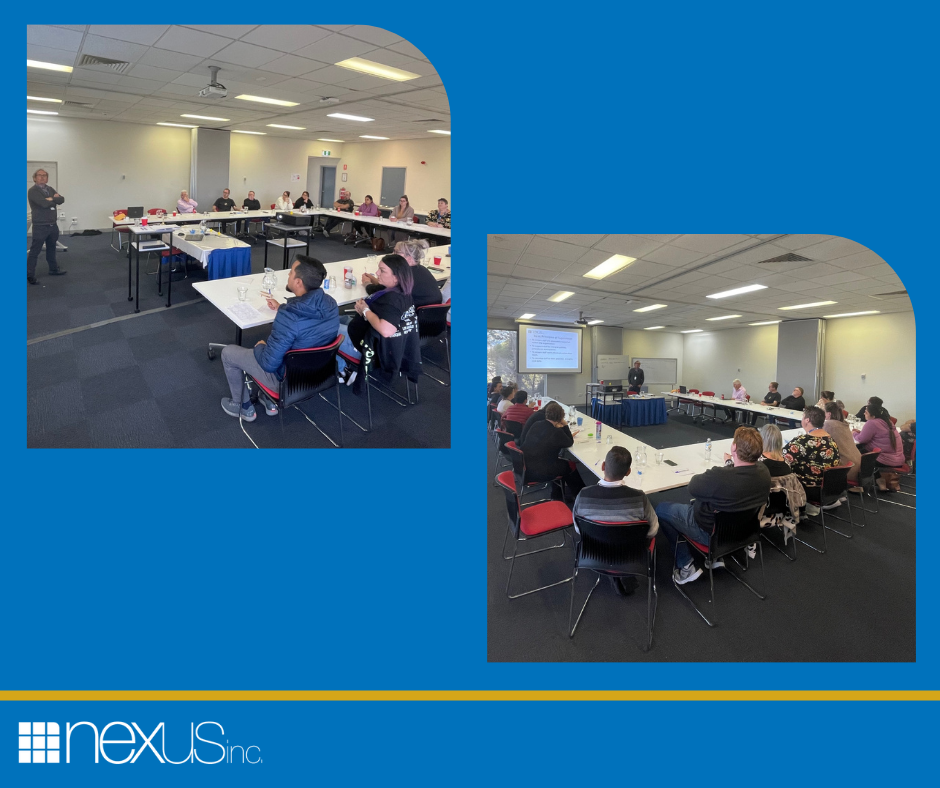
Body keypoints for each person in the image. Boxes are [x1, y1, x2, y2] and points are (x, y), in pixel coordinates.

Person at [219, 256, 339, 422]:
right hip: (320, 376)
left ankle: (242, 406)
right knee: (278, 345)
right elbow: (305, 319)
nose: (288, 276)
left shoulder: (288, 316)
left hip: (288, 383)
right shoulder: (331, 304)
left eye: (290, 273)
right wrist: (283, 307)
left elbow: (269, 364)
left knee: (229, 353)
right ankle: (268, 401)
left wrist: (260, 347)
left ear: (298, 282)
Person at [655, 426, 771, 584]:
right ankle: (716, 557)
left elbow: (693, 487)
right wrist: (730, 463)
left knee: (661, 509)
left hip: (708, 532)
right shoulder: (764, 472)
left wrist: (725, 467)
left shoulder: (719, 477)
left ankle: (686, 565)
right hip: (744, 532)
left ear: (734, 447)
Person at [571, 445, 659, 597]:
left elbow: (578, 528)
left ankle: (615, 573)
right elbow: (653, 530)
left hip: (594, 554)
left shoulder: (584, 494)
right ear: (628, 472)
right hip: (630, 556)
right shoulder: (639, 498)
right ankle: (621, 573)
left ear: (603, 466)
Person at [335, 254, 417, 386]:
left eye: (382, 270)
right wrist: (364, 310)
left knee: (327, 326)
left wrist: (366, 312)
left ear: (396, 277)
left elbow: (386, 330)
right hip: (378, 340)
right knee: (337, 318)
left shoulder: (392, 301)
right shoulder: (402, 292)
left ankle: (343, 372)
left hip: (368, 350)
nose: (377, 273)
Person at [521, 401, 584, 502]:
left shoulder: (537, 424)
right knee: (569, 465)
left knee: (562, 463)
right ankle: (581, 496)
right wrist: (565, 425)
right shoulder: (556, 432)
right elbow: (569, 442)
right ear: (560, 417)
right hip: (539, 470)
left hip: (525, 465)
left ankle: (557, 495)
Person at [783, 406, 841, 514]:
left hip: (810, 488)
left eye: (803, 417)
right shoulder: (830, 439)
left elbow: (782, 460)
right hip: (830, 487)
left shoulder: (803, 441)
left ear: (807, 420)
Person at [362, 239, 443, 308]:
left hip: (412, 318)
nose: (392, 255)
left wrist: (366, 283)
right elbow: (390, 286)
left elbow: (379, 293)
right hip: (433, 319)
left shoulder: (404, 274)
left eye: (396, 252)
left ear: (409, 258)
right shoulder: (421, 270)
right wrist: (376, 280)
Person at [853, 400, 904, 489]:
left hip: (886, 459)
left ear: (873, 415)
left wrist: (853, 433)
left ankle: (858, 485)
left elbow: (861, 439)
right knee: (864, 451)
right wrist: (860, 433)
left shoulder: (872, 423)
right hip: (899, 458)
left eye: (866, 412)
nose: (864, 414)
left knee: (855, 455)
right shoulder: (887, 422)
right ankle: (880, 480)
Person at [27, 168, 66, 283]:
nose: (42, 177)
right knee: (35, 251)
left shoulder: (50, 189)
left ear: (47, 178)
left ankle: (53, 269)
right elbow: (43, 204)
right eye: (39, 175)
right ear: (34, 178)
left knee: (51, 248)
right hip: (40, 226)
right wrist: (55, 199)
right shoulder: (33, 191)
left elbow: (62, 199)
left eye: (44, 175)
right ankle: (29, 275)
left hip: (52, 225)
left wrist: (51, 198)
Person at [822, 402, 861, 483]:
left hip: (845, 469)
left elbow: (819, 440)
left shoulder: (829, 424)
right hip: (857, 464)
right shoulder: (844, 423)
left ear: (828, 414)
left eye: (824, 412)